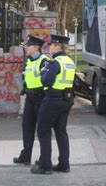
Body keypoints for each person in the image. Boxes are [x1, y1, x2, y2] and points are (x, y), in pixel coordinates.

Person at [31, 34, 75, 175]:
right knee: (61, 132)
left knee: (43, 131)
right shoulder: (69, 61)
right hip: (66, 100)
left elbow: (45, 81)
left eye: (51, 45)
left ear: (57, 46)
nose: (49, 47)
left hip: (52, 100)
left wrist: (44, 71)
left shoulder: (55, 62)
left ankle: (45, 166)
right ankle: (64, 164)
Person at [13, 35, 50, 165]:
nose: (26, 47)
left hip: (40, 97)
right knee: (27, 126)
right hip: (30, 97)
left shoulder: (44, 61)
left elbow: (47, 80)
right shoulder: (29, 61)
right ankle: (26, 155)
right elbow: (28, 77)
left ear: (36, 47)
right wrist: (25, 87)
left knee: (42, 129)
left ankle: (43, 157)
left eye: (28, 46)